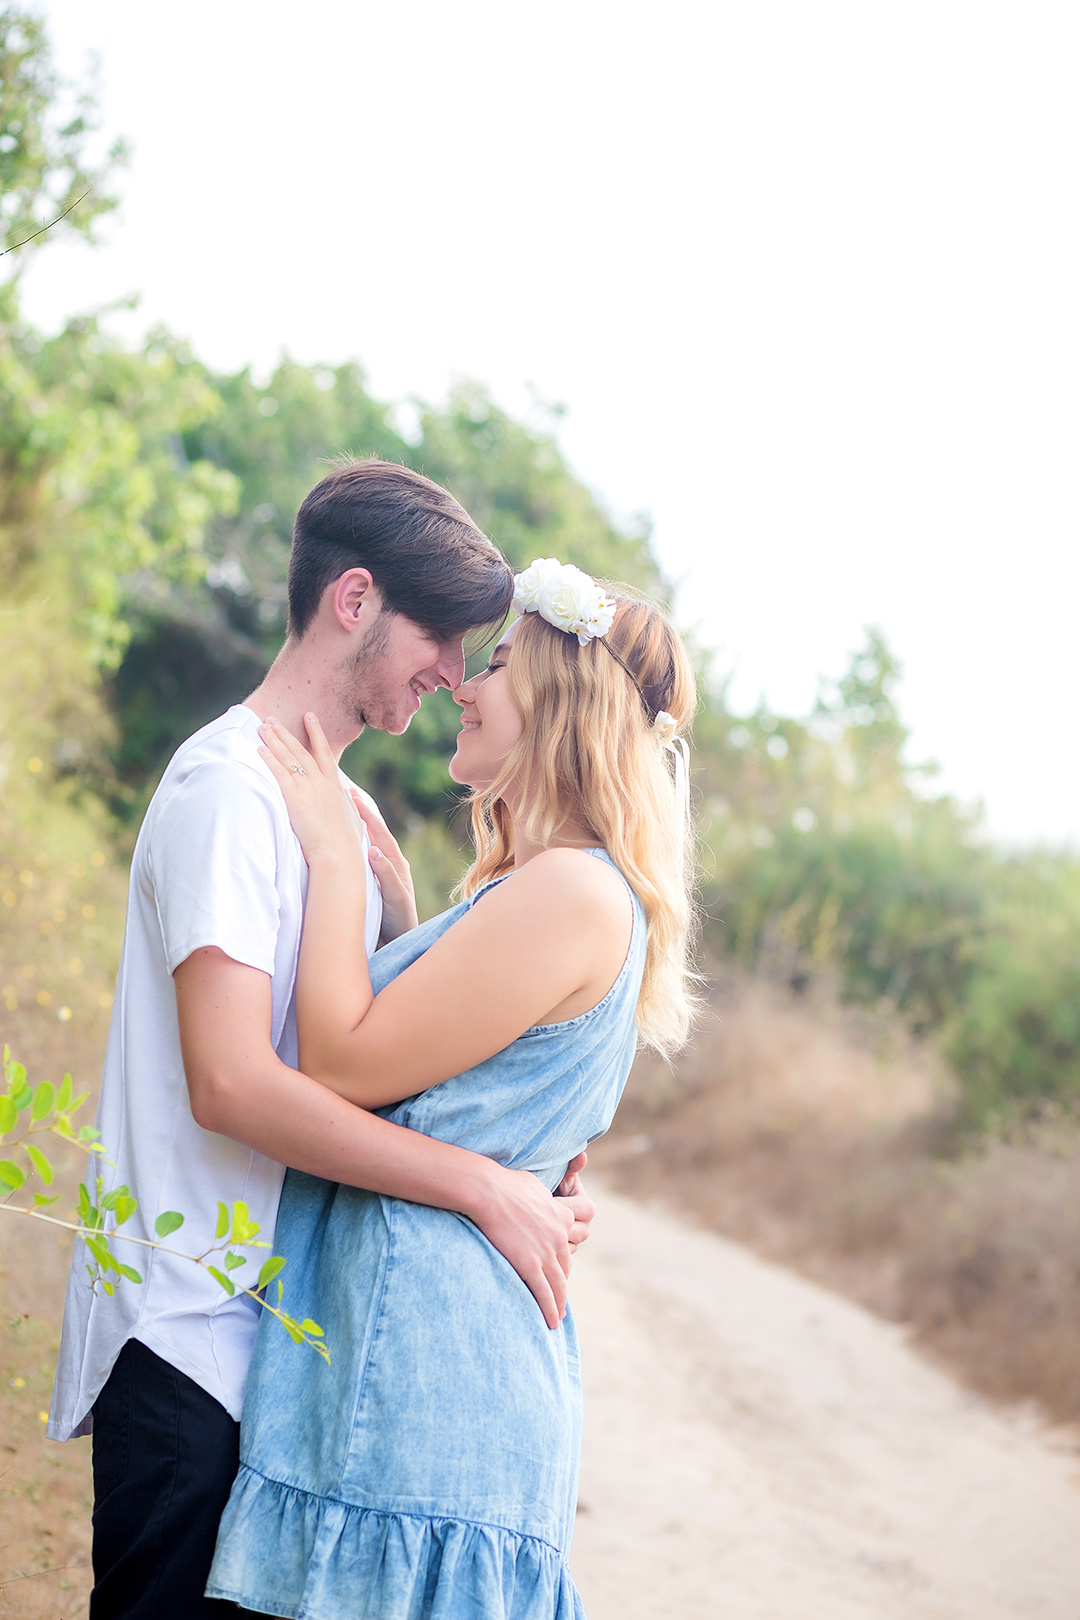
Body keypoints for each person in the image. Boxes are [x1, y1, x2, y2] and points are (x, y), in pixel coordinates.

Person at [47, 466, 597, 1620]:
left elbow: (363, 1052)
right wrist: (480, 1187)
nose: (452, 675)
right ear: (355, 601)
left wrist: (512, 1121)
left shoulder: (334, 813)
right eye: (442, 638)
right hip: (188, 1337)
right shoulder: (229, 791)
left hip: (285, 1362)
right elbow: (234, 1083)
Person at [205, 558, 698, 1619]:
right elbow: (443, 1081)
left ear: (563, 703)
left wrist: (334, 863)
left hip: (424, 1384)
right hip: (399, 1361)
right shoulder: (546, 885)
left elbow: (340, 1062)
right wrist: (398, 923)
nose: (465, 686)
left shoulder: (570, 889)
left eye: (502, 664)